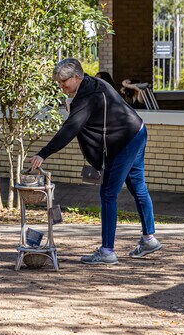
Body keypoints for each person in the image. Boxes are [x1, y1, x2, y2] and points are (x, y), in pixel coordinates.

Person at [30, 58, 161, 265]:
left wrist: (43, 153)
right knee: (138, 187)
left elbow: (70, 129)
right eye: (59, 83)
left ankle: (107, 251)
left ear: (76, 77)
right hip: (138, 131)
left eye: (64, 82)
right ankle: (149, 240)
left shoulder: (87, 97)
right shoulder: (95, 85)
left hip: (124, 141)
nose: (62, 86)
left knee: (108, 193)